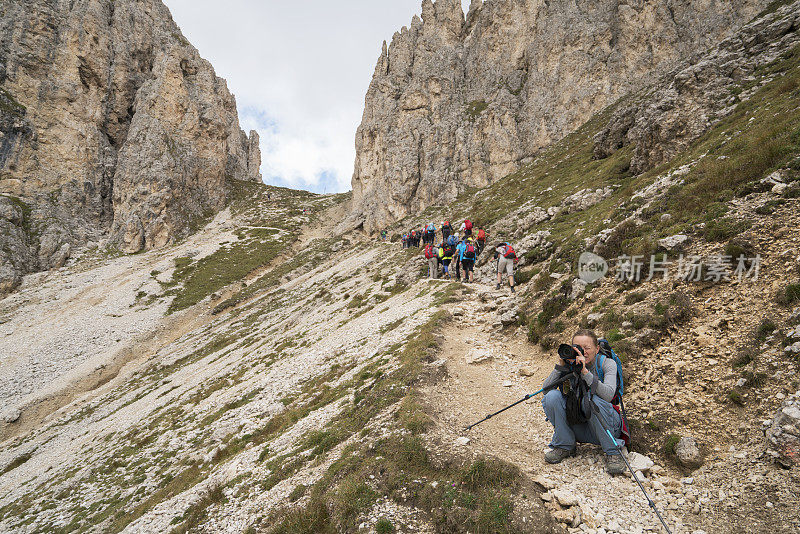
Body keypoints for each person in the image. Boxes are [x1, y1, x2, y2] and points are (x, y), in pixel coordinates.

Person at [540, 329, 627, 475]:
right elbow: (546, 391)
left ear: (597, 348)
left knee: (593, 400)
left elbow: (608, 395)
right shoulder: (570, 364)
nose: (583, 352)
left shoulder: (607, 364)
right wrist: (561, 366)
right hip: (581, 423)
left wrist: (586, 373)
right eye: (578, 348)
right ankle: (565, 445)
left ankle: (613, 451)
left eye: (587, 348)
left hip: (608, 426)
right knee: (552, 397)